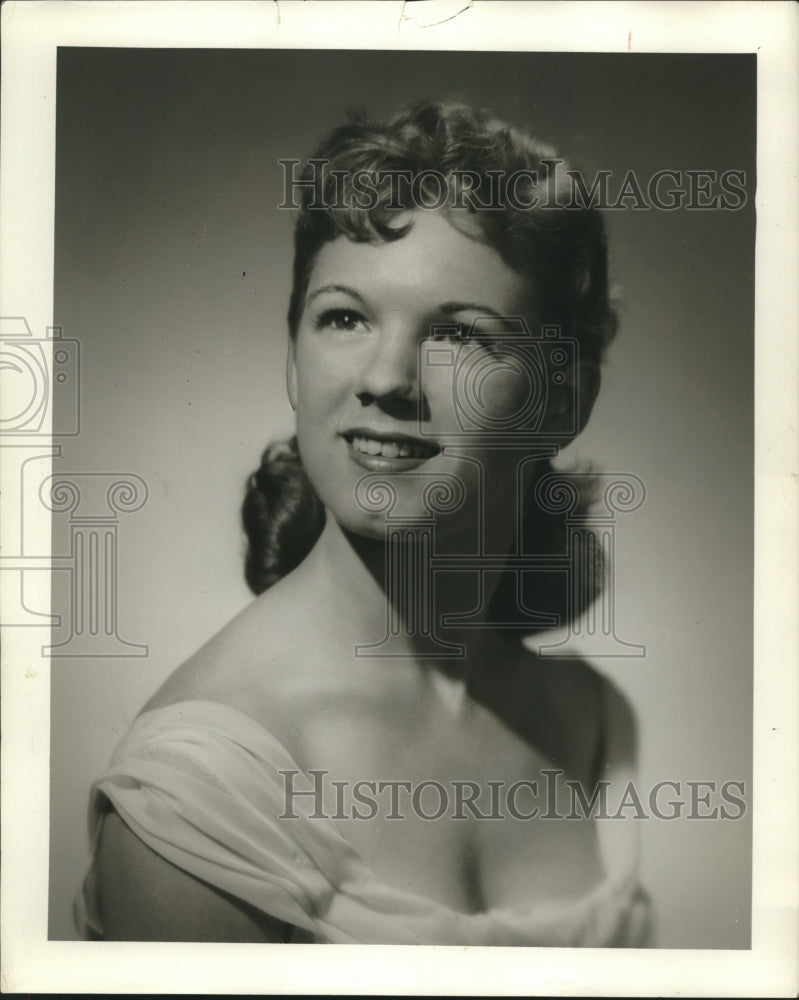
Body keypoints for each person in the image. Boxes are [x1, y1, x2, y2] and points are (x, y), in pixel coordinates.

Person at [75, 99, 651, 946]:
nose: (386, 376)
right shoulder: (198, 798)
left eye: (458, 334)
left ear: (560, 402)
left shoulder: (594, 722)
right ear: (291, 355)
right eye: (344, 316)